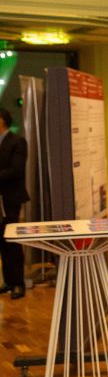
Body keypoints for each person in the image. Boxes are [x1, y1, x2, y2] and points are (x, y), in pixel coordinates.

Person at [0, 108, 28, 300]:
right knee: (2, 241)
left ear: (2, 120)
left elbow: (16, 170)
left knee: (11, 241)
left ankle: (18, 283)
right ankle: (8, 281)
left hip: (9, 199)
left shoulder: (17, 141)